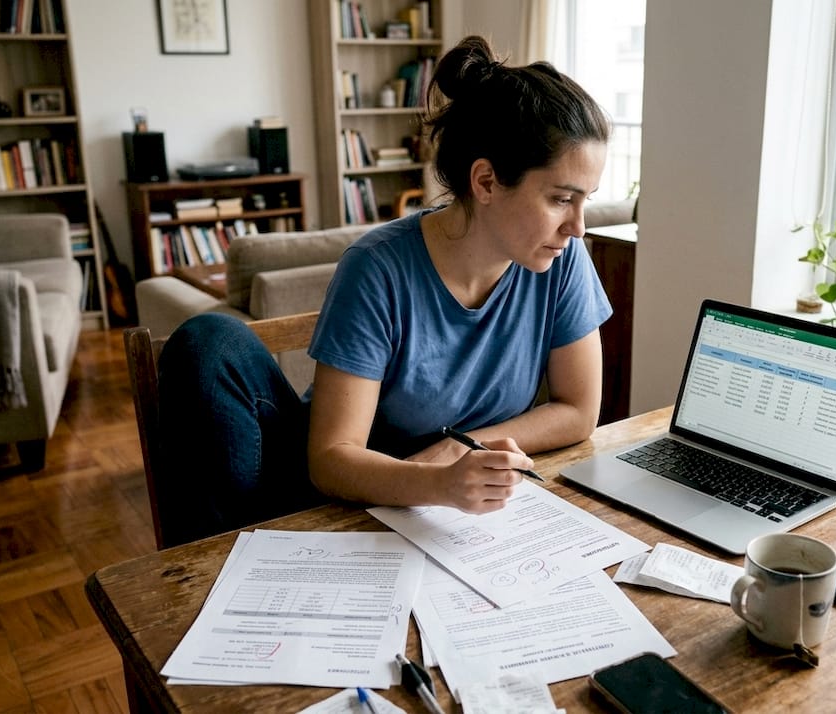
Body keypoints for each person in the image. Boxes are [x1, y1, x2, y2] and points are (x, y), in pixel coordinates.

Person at [155, 35, 613, 547]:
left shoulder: (561, 259)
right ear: (485, 182)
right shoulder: (378, 268)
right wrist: (437, 482)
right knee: (209, 341)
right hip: (337, 491)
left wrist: (462, 449)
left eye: (586, 201)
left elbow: (578, 411)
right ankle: (230, 571)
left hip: (451, 510)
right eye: (560, 199)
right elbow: (331, 458)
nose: (578, 225)